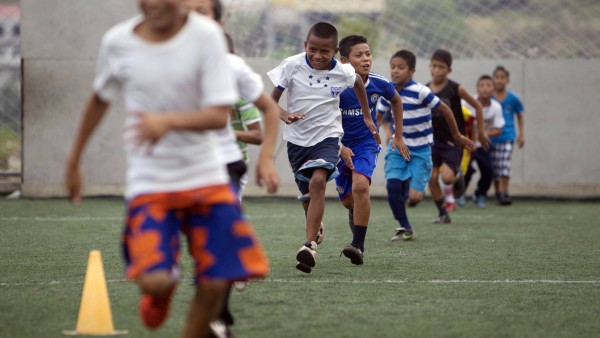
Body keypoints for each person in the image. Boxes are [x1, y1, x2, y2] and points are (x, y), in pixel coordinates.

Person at [64, 3, 269, 337]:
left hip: (206, 176)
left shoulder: (207, 37)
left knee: (218, 277)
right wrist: (74, 161)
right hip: (151, 182)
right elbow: (100, 97)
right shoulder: (117, 41)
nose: (154, 4)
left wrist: (167, 121)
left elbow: (219, 116)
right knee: (155, 281)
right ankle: (165, 284)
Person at [183, 0, 280, 335]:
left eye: (203, 11)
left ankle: (219, 316)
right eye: (188, 10)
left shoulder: (232, 68)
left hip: (224, 165)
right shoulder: (162, 60)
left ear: (219, 22)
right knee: (195, 248)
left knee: (217, 239)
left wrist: (266, 159)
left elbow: (268, 112)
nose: (194, 17)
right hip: (181, 167)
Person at [268, 22, 377, 274]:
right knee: (308, 197)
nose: (317, 56)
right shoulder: (292, 65)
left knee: (318, 182)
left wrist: (367, 115)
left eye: (324, 52)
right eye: (312, 50)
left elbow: (359, 84)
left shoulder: (343, 71)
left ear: (335, 51)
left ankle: (308, 246)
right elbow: (270, 101)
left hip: (328, 138)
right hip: (297, 142)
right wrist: (284, 114)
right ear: (305, 46)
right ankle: (315, 226)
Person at [377, 50, 473, 241]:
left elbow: (446, 110)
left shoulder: (421, 91)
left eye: (401, 67)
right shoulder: (387, 91)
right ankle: (405, 227)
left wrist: (457, 135)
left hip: (421, 151)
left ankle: (412, 193)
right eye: (393, 66)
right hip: (398, 149)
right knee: (392, 188)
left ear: (411, 71)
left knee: (415, 198)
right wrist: (371, 135)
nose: (395, 71)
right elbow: (378, 117)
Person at [336, 35, 408, 264]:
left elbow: (397, 101)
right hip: (340, 145)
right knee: (349, 201)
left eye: (368, 54)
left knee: (360, 187)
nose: (366, 59)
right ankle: (354, 213)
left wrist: (398, 135)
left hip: (367, 143)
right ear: (345, 61)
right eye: (359, 55)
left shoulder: (379, 83)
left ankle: (358, 245)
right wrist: (340, 146)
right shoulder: (335, 85)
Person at [426, 49, 488, 224]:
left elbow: (477, 106)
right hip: (432, 141)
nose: (437, 70)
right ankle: (442, 213)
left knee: (446, 177)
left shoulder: (455, 88)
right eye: (434, 66)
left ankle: (458, 175)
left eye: (441, 67)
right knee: (431, 177)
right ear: (430, 67)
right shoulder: (424, 89)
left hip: (453, 140)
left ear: (449, 70)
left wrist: (481, 132)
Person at [462, 75, 505, 208]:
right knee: (465, 170)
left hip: (484, 145)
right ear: (477, 88)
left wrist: (485, 134)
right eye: (482, 85)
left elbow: (499, 129)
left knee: (488, 171)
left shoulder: (496, 107)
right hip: (468, 144)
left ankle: (480, 194)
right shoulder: (467, 103)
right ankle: (461, 193)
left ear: (493, 89)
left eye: (488, 85)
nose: (485, 89)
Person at [492, 65, 525, 205]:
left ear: (507, 80)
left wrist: (521, 134)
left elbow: (520, 115)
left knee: (504, 164)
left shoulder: (513, 98)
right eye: (497, 77)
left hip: (507, 136)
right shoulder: (489, 97)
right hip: (491, 136)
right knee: (494, 166)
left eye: (502, 77)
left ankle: (505, 192)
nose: (499, 80)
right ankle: (497, 193)